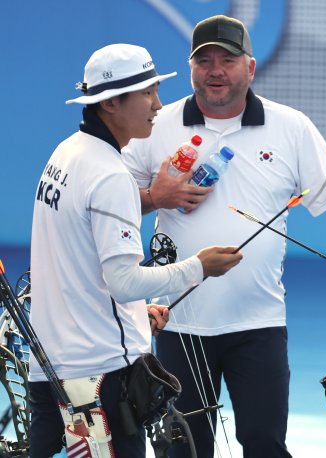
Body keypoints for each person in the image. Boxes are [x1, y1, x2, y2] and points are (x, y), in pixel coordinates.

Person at [121, 15, 326, 457]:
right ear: (191, 67)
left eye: (228, 60)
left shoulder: (290, 127)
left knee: (266, 445)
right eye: (204, 60)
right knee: (184, 451)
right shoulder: (155, 125)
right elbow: (107, 207)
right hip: (179, 322)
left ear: (250, 68)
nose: (216, 70)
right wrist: (156, 197)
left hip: (259, 324)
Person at [29, 44, 242, 458]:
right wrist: (199, 267)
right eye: (147, 93)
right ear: (111, 102)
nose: (158, 105)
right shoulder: (110, 175)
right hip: (97, 381)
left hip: (51, 367)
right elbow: (123, 282)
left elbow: (79, 266)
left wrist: (134, 318)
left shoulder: (66, 153)